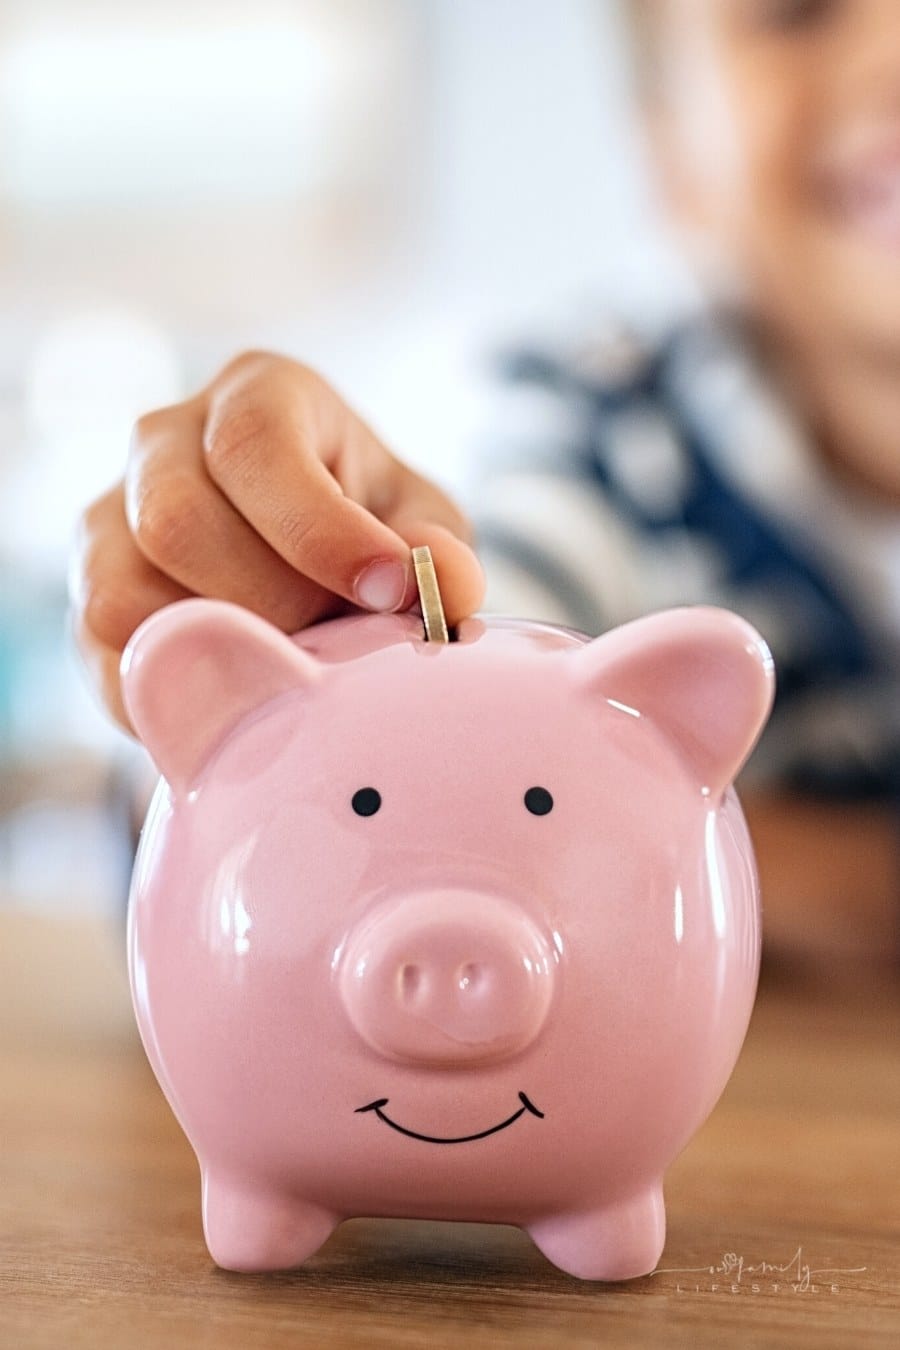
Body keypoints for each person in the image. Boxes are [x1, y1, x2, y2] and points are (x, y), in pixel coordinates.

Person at [70, 0, 900, 969]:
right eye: (794, 14)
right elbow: (447, 783)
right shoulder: (604, 439)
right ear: (670, 153)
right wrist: (262, 693)